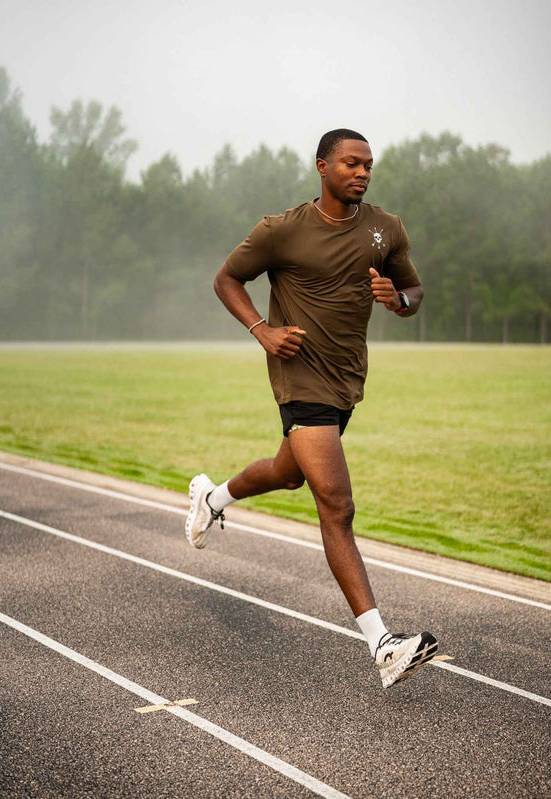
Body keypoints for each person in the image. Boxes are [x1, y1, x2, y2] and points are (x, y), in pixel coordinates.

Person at [185, 129, 438, 688]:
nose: (363, 172)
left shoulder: (385, 228)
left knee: (289, 474)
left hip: (346, 380)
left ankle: (213, 496)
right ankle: (383, 644)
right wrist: (262, 331)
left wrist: (396, 300)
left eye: (369, 165)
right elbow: (226, 278)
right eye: (351, 163)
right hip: (298, 375)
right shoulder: (282, 231)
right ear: (322, 166)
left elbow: (415, 293)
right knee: (336, 502)